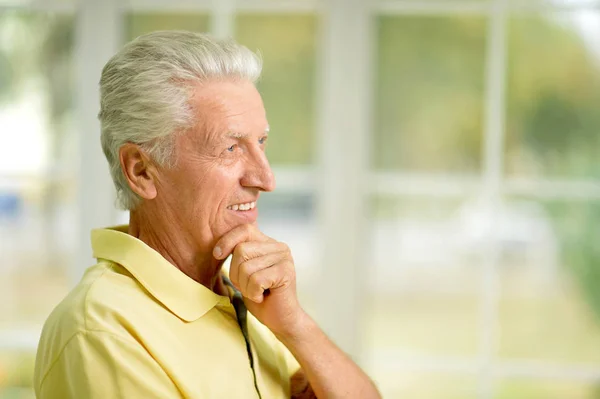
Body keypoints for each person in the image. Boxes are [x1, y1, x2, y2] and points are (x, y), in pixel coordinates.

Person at [33, 31, 381, 399]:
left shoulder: (253, 302)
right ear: (141, 171)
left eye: (260, 142)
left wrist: (295, 326)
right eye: (230, 148)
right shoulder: (101, 332)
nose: (265, 178)